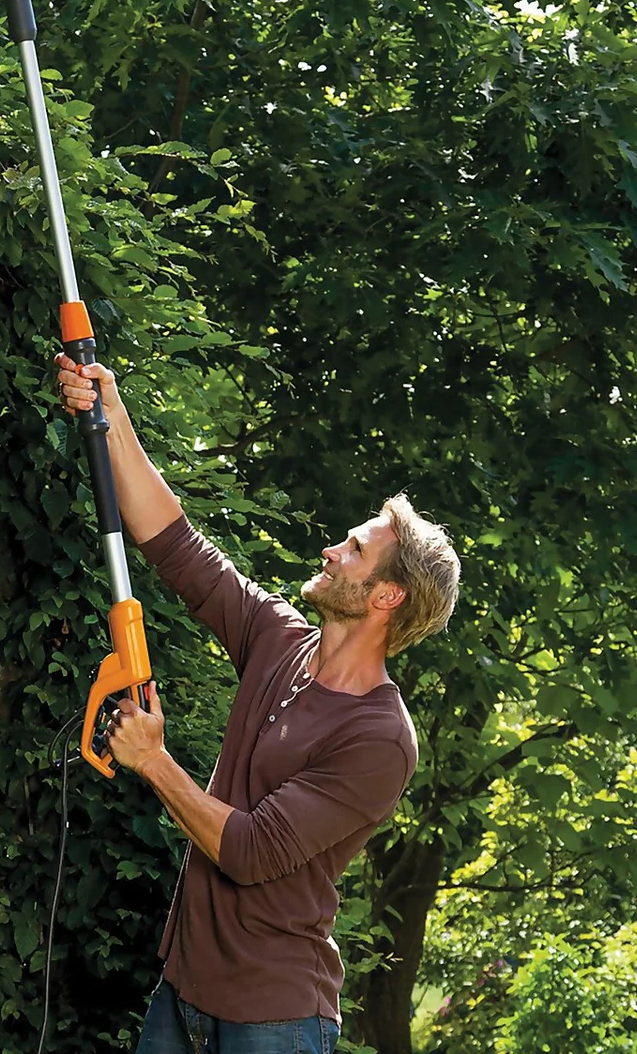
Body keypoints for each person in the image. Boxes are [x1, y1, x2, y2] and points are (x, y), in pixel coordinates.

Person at [54, 353, 461, 1054]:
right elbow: (177, 546)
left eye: (354, 550)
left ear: (387, 596)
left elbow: (249, 850)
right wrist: (111, 415)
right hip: (183, 992)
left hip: (274, 1020)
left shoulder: (379, 738)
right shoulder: (279, 639)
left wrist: (154, 762)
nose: (331, 550)